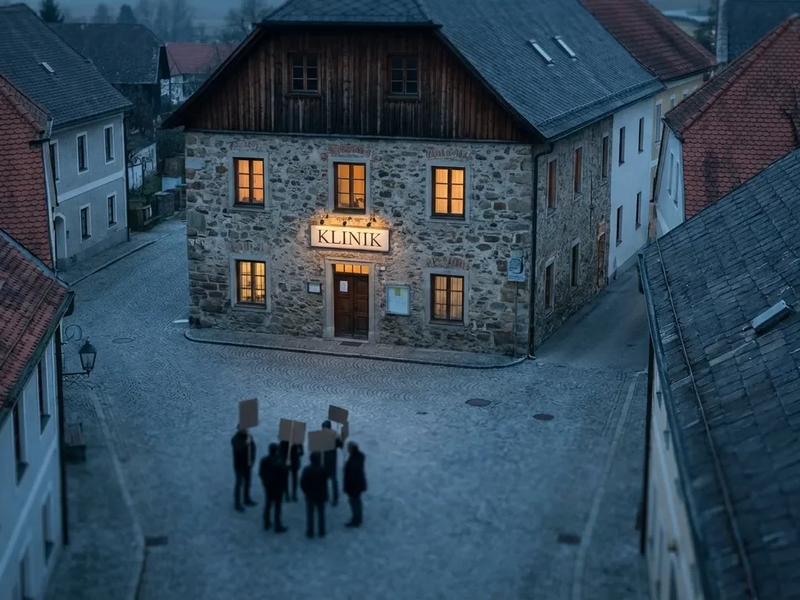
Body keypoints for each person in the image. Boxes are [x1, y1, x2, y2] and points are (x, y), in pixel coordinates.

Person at [259, 443, 288, 533]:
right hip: (278, 487)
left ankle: (266, 522)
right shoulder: (280, 462)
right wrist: (285, 489)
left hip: (268, 486)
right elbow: (284, 476)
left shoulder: (264, 460)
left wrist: (265, 483)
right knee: (277, 507)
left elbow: (261, 473)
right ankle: (277, 525)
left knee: (268, 504)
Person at [300, 451, 328, 538]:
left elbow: (302, 483)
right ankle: (321, 531)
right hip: (321, 494)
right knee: (321, 514)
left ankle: (310, 531)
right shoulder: (323, 469)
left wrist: (306, 491)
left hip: (310, 495)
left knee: (310, 514)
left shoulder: (307, 470)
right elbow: (328, 476)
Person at [231, 425, 257, 512]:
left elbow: (253, 449)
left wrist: (252, 461)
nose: (245, 430)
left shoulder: (249, 438)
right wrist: (247, 443)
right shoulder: (235, 439)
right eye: (243, 429)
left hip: (247, 465)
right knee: (239, 484)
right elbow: (239, 447)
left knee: (247, 483)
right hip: (239, 466)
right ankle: (237, 504)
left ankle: (246, 499)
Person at [343, 441, 367, 528]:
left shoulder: (353, 461)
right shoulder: (358, 457)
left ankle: (356, 519)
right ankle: (357, 518)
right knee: (356, 502)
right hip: (358, 485)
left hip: (354, 486)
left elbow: (351, 476)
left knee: (355, 502)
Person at [321, 420, 344, 506]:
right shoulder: (334, 435)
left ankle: (327, 496)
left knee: (326, 479)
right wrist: (339, 438)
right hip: (332, 460)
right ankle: (335, 498)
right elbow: (341, 446)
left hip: (325, 460)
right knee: (333, 479)